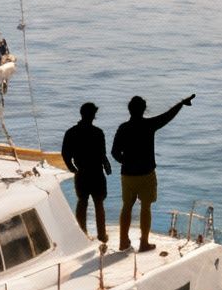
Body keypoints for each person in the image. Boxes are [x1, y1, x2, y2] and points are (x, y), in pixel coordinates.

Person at [111, 92, 194, 252]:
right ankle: (144, 243)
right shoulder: (149, 125)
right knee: (146, 207)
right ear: (144, 110)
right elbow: (167, 116)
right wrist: (182, 103)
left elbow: (114, 152)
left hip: (127, 175)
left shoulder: (123, 128)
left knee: (126, 207)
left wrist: (126, 161)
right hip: (146, 174)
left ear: (129, 110)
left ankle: (123, 242)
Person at [60, 102, 111, 243]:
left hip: (81, 172)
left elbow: (65, 154)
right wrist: (107, 167)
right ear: (93, 115)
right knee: (99, 204)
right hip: (96, 173)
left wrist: (72, 168)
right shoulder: (98, 133)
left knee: (82, 202)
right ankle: (102, 235)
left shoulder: (71, 132)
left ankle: (82, 235)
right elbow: (102, 155)